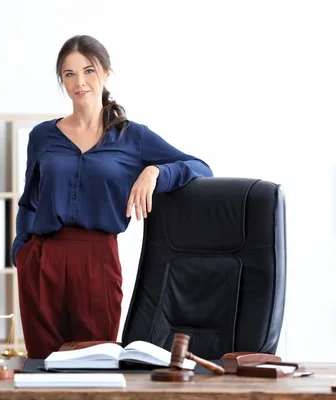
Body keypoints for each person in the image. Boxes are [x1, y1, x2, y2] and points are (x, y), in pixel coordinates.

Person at [12, 35, 213, 359]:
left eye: (88, 70)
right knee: (42, 367)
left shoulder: (132, 136)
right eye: (69, 73)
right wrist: (21, 254)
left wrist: (154, 173)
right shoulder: (42, 136)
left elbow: (201, 168)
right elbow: (29, 200)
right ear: (61, 80)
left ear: (105, 72)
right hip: (42, 259)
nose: (80, 81)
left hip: (97, 260)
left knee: (97, 361)